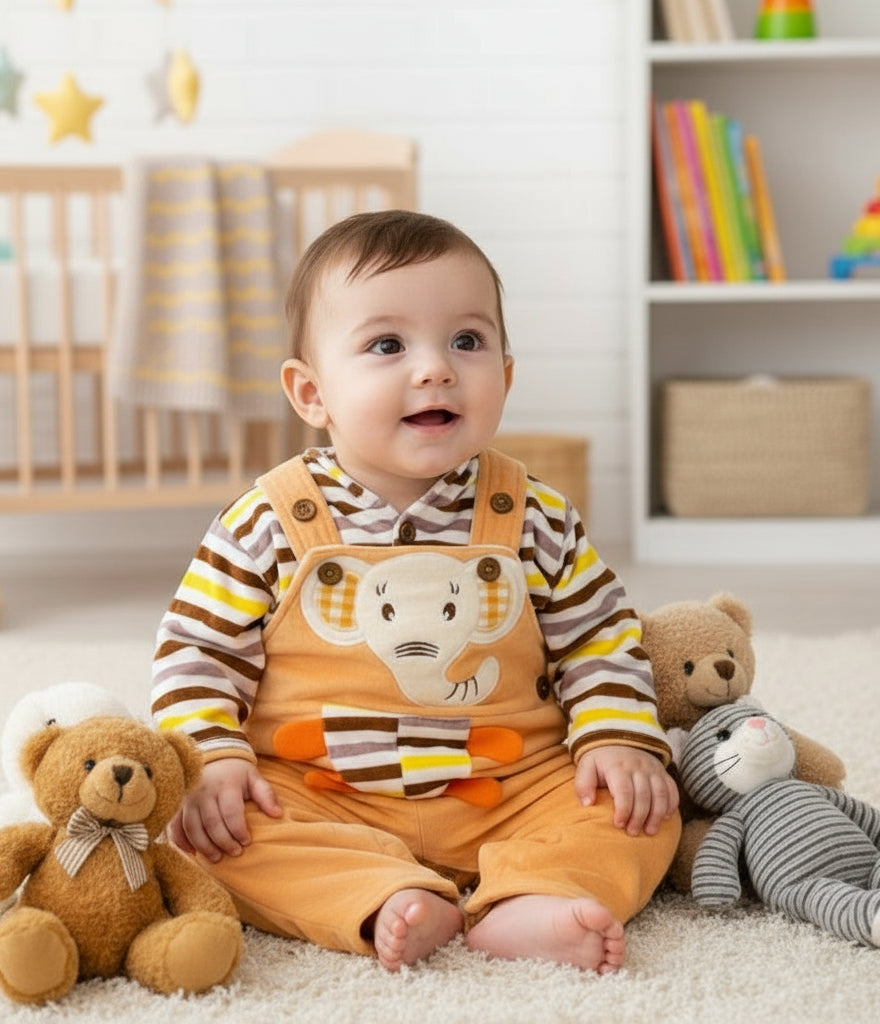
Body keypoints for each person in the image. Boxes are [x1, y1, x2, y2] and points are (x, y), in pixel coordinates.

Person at [151, 210, 680, 974]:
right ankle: (380, 896)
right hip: (320, 794)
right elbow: (197, 650)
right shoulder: (266, 519)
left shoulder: (534, 513)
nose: (434, 369)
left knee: (640, 811)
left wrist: (616, 737)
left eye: (466, 341)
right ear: (311, 393)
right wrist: (213, 755)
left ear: (504, 373)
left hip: (511, 786)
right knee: (214, 832)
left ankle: (533, 896)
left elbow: (599, 637)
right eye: (387, 345)